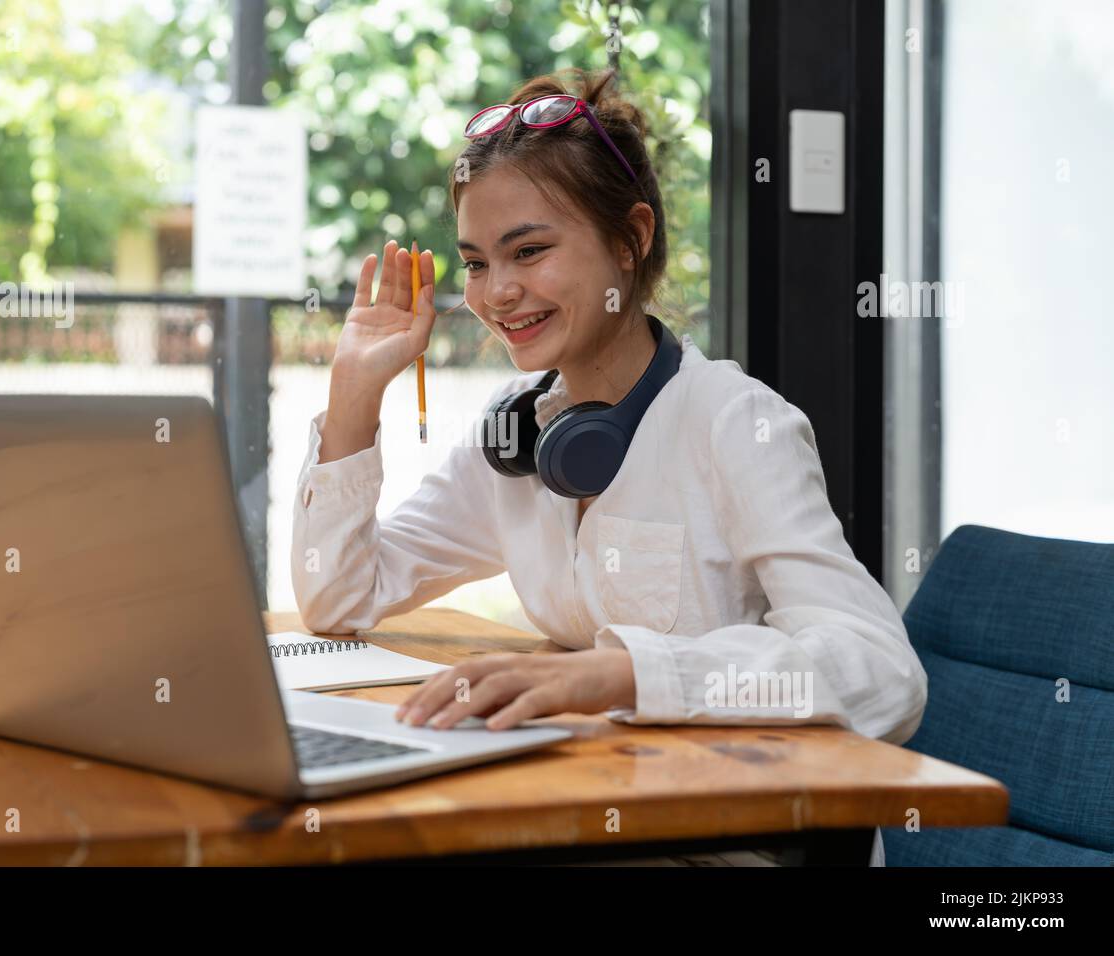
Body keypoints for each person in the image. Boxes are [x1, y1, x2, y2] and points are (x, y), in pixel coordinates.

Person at [291, 68, 926, 867]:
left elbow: (881, 670)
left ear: (631, 239)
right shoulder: (521, 429)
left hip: (723, 842)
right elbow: (337, 595)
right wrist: (355, 390)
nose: (498, 293)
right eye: (478, 262)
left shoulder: (734, 423)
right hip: (594, 811)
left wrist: (623, 675)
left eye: (529, 250)